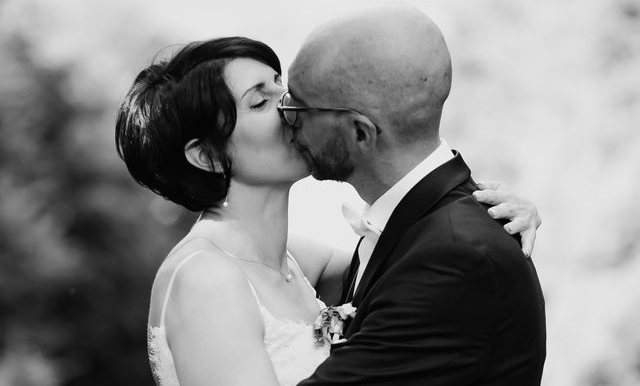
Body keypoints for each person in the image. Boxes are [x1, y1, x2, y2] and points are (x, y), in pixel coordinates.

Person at [115, 36, 541, 386]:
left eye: (282, 88)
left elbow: (412, 264)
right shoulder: (206, 278)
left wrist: (481, 204)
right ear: (207, 156)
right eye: (260, 103)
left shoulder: (293, 258)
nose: (290, 109)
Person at [279, 6, 546, 385]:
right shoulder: (415, 225)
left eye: (299, 107)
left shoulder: (453, 260)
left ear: (360, 133)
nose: (285, 117)